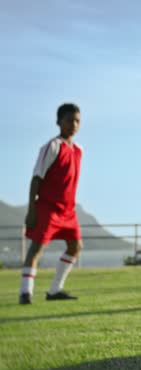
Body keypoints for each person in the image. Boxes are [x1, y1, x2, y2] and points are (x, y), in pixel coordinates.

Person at [18, 103, 84, 305]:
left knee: (75, 246)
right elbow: (36, 178)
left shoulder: (78, 151)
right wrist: (32, 210)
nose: (73, 124)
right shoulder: (52, 146)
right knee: (36, 247)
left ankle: (55, 290)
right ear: (59, 122)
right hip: (48, 208)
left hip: (68, 211)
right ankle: (25, 293)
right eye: (69, 120)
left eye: (77, 121)